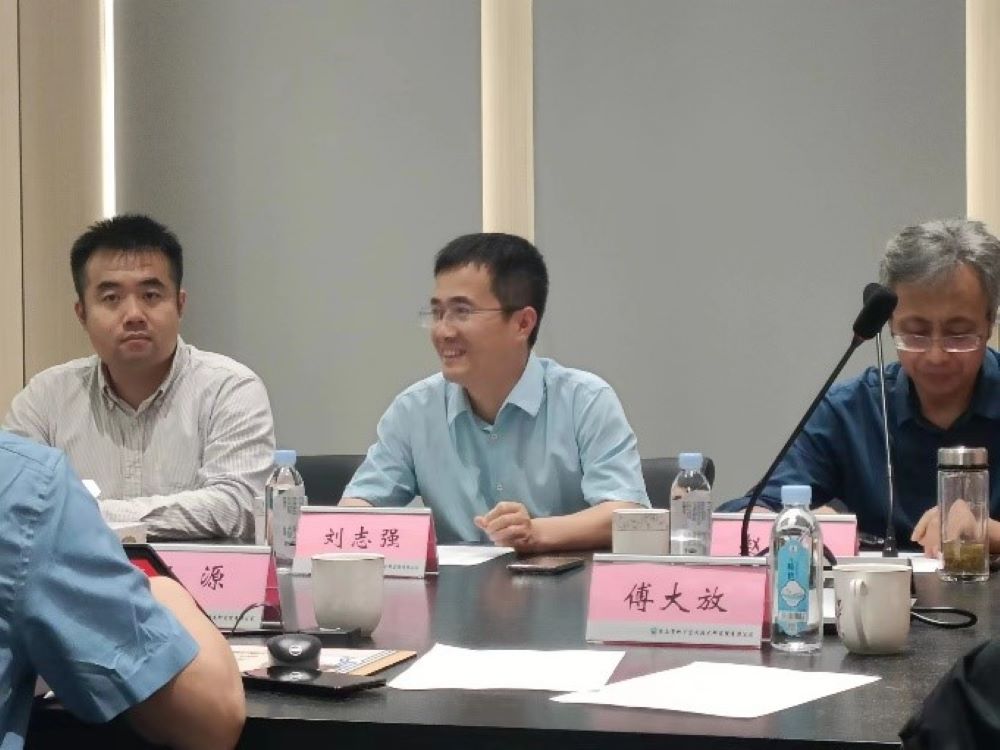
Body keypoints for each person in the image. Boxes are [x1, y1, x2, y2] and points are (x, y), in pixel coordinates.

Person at [341, 233, 649, 551]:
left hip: (565, 582)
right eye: (437, 313)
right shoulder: (414, 410)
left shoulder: (584, 401)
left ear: (522, 323)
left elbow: (628, 514)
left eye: (462, 312)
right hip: (455, 584)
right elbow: (358, 506)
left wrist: (536, 532)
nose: (443, 331)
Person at [719, 219, 1000, 555]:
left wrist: (990, 534)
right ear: (890, 324)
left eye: (959, 334)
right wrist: (796, 520)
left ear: (990, 322)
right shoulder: (850, 410)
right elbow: (742, 519)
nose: (936, 356)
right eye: (916, 333)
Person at [3, 214, 274, 540]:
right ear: (82, 314)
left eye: (151, 295)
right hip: (80, 574)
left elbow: (235, 506)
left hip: (197, 574)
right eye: (111, 298)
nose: (133, 315)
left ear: (180, 305)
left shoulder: (230, 389)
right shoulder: (44, 399)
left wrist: (81, 512)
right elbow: (14, 505)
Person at [0, 430, 245, 749]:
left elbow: (231, 502)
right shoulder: (29, 482)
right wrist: (163, 589)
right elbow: (211, 717)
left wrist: (90, 510)